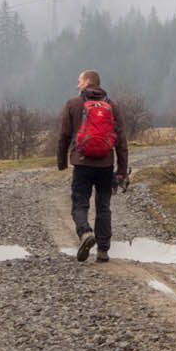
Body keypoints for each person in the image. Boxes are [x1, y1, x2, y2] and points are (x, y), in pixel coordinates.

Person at [55, 69, 129, 262]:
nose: (77, 84)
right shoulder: (112, 106)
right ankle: (103, 250)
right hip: (105, 164)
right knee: (103, 206)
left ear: (88, 82)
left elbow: (64, 136)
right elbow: (121, 141)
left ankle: (86, 233)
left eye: (79, 80)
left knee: (80, 202)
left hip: (82, 163)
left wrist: (62, 161)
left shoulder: (73, 104)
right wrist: (122, 170)